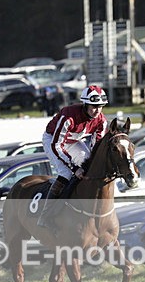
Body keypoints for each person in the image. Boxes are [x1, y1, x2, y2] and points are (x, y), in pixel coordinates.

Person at [36, 85, 109, 230]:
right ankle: (46, 215)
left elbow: (95, 149)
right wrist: (75, 167)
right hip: (52, 140)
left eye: (100, 106)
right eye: (94, 106)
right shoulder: (69, 116)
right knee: (66, 173)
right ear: (85, 104)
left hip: (73, 140)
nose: (97, 110)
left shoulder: (101, 121)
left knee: (89, 166)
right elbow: (57, 145)